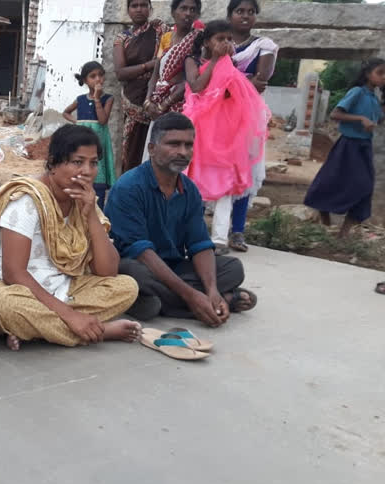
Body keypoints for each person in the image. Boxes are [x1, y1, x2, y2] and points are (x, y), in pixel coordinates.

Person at [0, 125, 142, 351]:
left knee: (127, 287)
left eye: (93, 163)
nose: (88, 171)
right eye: (77, 162)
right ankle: (100, 331)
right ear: (53, 163)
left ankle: (34, 330)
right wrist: (70, 315)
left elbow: (108, 271)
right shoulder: (27, 200)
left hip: (60, 289)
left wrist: (91, 214)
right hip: (6, 289)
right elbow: (13, 273)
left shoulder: (84, 200)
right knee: (4, 307)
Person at [104, 113, 257, 324]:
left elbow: (199, 244)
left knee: (232, 268)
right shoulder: (128, 187)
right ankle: (211, 302)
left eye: (188, 145)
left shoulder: (190, 190)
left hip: (173, 266)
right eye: (173, 144)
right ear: (151, 149)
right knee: (133, 275)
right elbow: (140, 252)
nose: (183, 152)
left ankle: (166, 303)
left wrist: (212, 290)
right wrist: (191, 295)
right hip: (138, 265)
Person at [183, 19, 271, 254]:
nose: (226, 43)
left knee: (224, 187)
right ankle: (193, 236)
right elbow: (197, 86)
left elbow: (236, 97)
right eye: (220, 39)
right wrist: (214, 61)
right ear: (207, 42)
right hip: (199, 132)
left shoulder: (229, 65)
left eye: (229, 39)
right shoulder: (193, 61)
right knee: (194, 186)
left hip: (223, 136)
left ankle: (220, 239)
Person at [304, 58, 385, 238]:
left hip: (364, 146)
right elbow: (336, 114)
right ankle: (322, 207)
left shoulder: (374, 98)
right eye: (380, 73)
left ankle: (343, 233)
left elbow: (377, 119)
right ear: (367, 74)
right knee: (335, 180)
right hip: (348, 145)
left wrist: (374, 119)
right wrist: (360, 119)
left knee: (365, 187)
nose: (383, 77)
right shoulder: (357, 92)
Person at [224, 0, 279, 252]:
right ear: (230, 15)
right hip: (219, 115)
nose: (245, 16)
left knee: (244, 172)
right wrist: (244, 81)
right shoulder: (218, 41)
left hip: (249, 118)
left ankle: (237, 231)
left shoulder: (263, 45)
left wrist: (228, 82)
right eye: (240, 11)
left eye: (251, 12)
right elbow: (208, 75)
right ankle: (209, 229)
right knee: (215, 169)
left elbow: (262, 79)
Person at [140, 0, 202, 161]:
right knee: (156, 154)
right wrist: (148, 102)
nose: (188, 13)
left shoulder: (198, 39)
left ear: (197, 14)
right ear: (173, 12)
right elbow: (156, 74)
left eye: (192, 9)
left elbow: (191, 79)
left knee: (174, 153)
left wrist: (163, 105)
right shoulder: (166, 37)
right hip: (157, 104)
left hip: (180, 105)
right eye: (183, 8)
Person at [113, 0, 167, 172]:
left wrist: (149, 67)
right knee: (132, 152)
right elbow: (121, 72)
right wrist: (149, 65)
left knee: (159, 148)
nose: (139, 9)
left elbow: (170, 56)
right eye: (134, 6)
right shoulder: (122, 39)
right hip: (133, 100)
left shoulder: (160, 30)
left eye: (143, 5)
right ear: (128, 10)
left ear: (150, 8)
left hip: (159, 98)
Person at [63, 61, 116, 209]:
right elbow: (66, 112)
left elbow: (103, 120)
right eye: (93, 76)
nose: (98, 79)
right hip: (81, 139)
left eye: (100, 75)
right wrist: (78, 122)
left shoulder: (108, 98)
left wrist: (97, 98)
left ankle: (96, 210)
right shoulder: (80, 100)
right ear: (86, 81)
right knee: (79, 166)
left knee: (96, 168)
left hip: (99, 141)